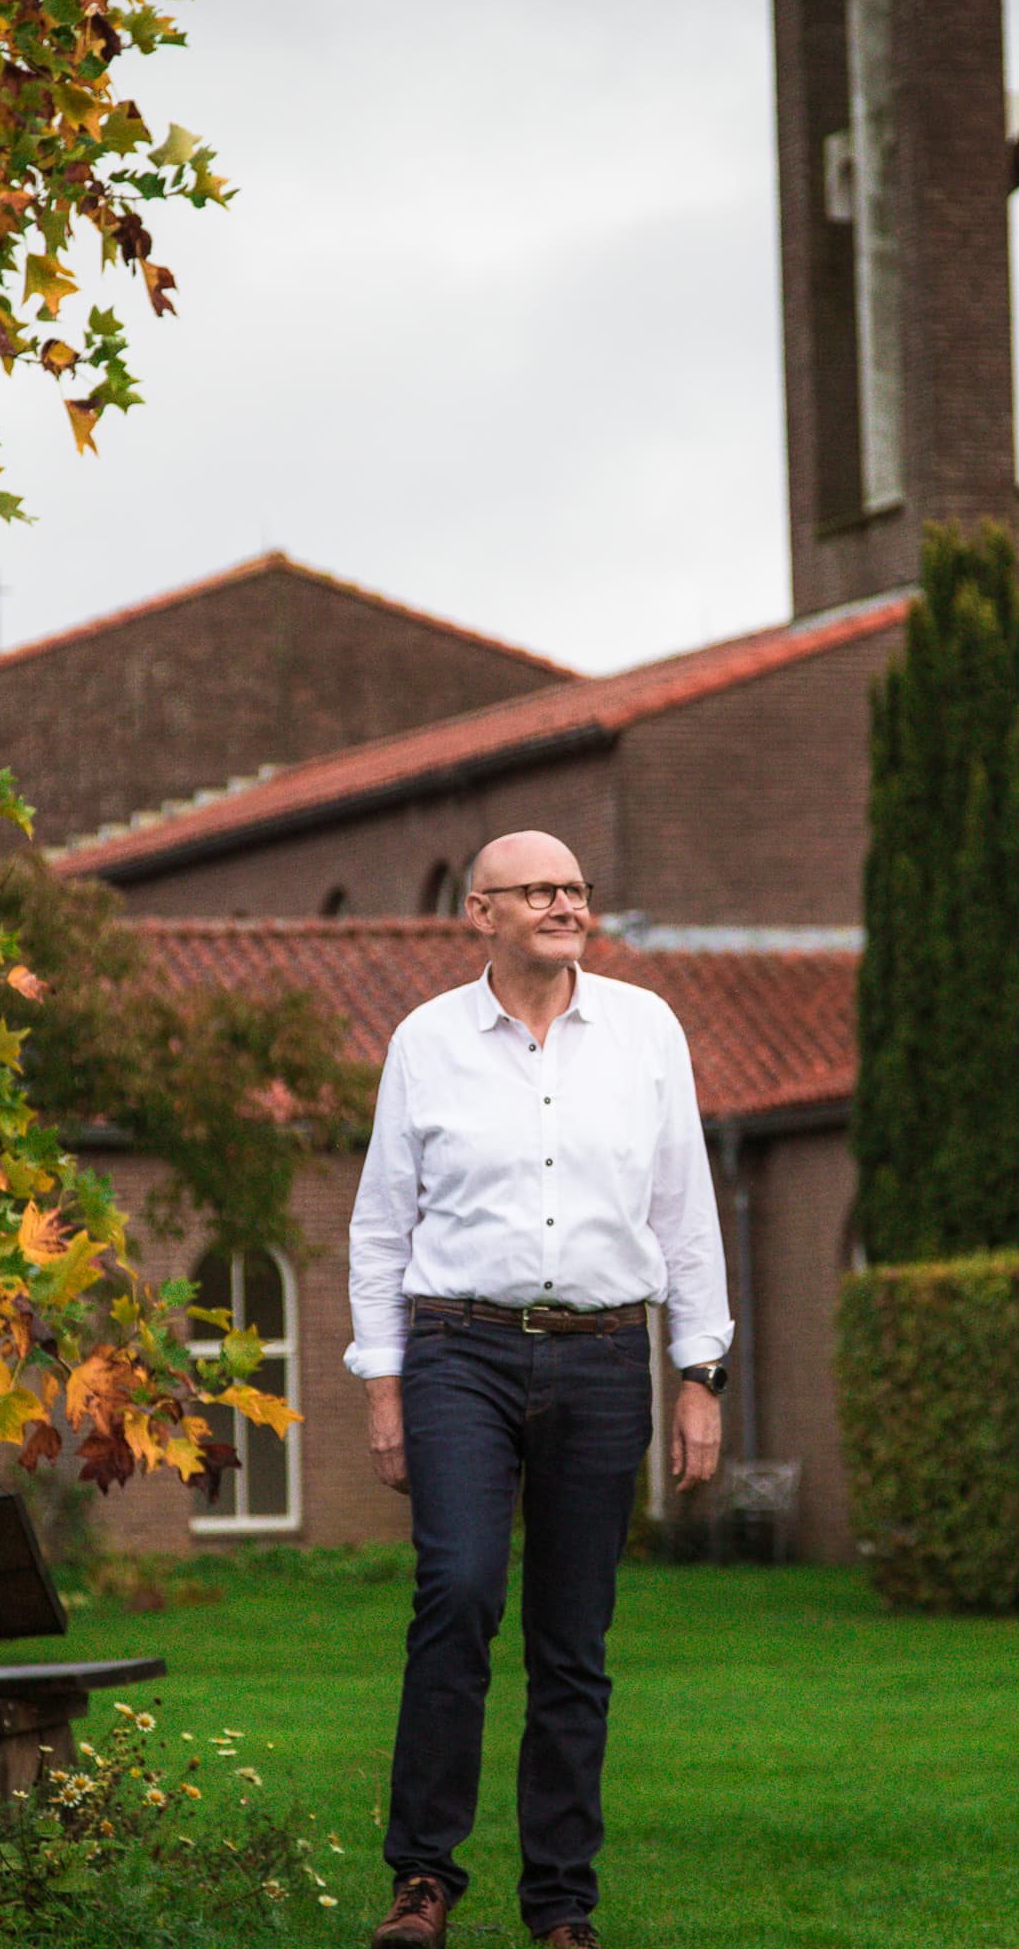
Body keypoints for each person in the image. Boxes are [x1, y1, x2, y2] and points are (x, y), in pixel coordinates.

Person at [348, 829, 732, 1949]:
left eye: (575, 887)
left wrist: (698, 1371)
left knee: (574, 1634)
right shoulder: (426, 1041)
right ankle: (423, 1880)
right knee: (458, 1592)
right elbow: (381, 1226)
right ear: (482, 911)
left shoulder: (646, 1030)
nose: (565, 904)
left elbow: (686, 1208)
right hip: (459, 1348)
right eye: (539, 890)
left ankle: (561, 1903)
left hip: (606, 1352)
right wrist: (383, 1382)